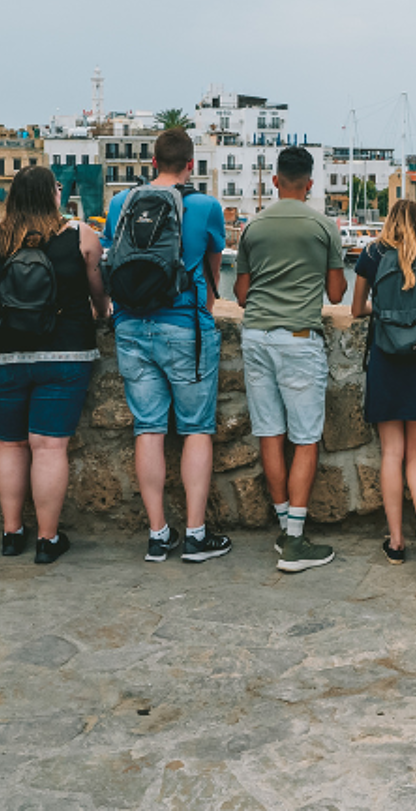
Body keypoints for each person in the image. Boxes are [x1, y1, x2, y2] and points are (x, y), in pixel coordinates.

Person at [105, 128, 232, 563]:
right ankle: (195, 535)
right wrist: (206, 305)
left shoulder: (121, 204)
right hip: (185, 327)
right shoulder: (206, 206)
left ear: (152, 162)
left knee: (149, 429)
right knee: (196, 428)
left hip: (131, 327)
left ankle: (158, 534)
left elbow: (111, 257)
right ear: (190, 165)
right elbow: (214, 265)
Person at [234, 146, 346, 574]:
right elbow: (336, 295)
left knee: (269, 433)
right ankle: (295, 541)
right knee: (304, 438)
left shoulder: (253, 226)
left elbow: (241, 295)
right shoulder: (323, 226)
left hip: (256, 337)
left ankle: (285, 525)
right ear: (310, 184)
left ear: (275, 180)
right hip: (298, 338)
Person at [0, 167, 109, 565]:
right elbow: (100, 296)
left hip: (7, 355)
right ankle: (47, 540)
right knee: (48, 448)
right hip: (66, 353)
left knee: (9, 446)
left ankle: (11, 534)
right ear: (51, 194)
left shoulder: (2, 237)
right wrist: (101, 313)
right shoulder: (80, 235)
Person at [349, 199, 416, 581]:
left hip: (386, 360)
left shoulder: (373, 253)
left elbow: (356, 308)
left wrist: (384, 314)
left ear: (390, 221)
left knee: (391, 453)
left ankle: (396, 541)